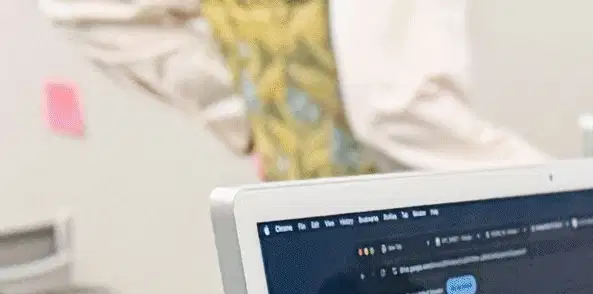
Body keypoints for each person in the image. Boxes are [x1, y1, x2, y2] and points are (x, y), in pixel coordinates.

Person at [41, 0, 541, 178]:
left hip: (291, 228)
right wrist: (576, 195)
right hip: (411, 230)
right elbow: (395, 108)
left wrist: (250, 113)